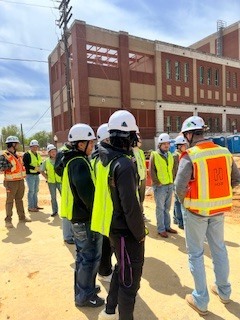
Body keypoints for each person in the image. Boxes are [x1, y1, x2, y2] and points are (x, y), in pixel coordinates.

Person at [175, 116, 240, 316]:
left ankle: (201, 299)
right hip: (218, 211)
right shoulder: (225, 152)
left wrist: (186, 201)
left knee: (195, 254)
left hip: (196, 212)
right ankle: (224, 292)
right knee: (219, 249)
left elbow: (179, 187)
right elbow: (236, 179)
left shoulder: (190, 155)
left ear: (189, 134)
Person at [92, 110, 145, 320]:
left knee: (121, 270)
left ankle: (109, 310)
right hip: (126, 231)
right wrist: (140, 234)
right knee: (130, 282)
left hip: (112, 227)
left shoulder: (103, 157)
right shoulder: (123, 164)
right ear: (130, 136)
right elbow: (130, 207)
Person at [61, 123, 104, 307]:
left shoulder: (73, 160)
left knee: (83, 257)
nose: (93, 146)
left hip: (79, 218)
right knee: (89, 257)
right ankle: (84, 296)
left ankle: (84, 289)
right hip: (85, 220)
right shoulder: (79, 163)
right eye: (90, 143)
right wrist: (98, 214)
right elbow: (88, 195)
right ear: (80, 145)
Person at [91, 123, 113, 283]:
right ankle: (104, 272)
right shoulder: (103, 160)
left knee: (105, 243)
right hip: (106, 208)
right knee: (106, 244)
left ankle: (104, 269)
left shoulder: (96, 158)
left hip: (101, 207)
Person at [149, 133, 177, 238]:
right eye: (164, 144)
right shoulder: (154, 155)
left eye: (168, 143)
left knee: (167, 208)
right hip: (160, 186)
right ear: (159, 145)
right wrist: (157, 182)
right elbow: (151, 170)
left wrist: (173, 180)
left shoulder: (170, 155)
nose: (166, 145)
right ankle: (161, 229)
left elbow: (173, 168)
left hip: (169, 184)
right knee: (160, 208)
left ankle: (167, 226)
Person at [0, 136, 31, 228]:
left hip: (20, 181)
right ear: (13, 144)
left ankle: (22, 217)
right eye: (17, 144)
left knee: (19, 199)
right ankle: (8, 220)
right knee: (9, 201)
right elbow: (1, 168)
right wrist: (8, 166)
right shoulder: (4, 156)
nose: (18, 145)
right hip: (10, 182)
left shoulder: (18, 155)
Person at [132, 129, 150, 222]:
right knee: (136, 198)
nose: (140, 142)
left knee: (142, 198)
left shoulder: (141, 152)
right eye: (139, 141)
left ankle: (141, 214)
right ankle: (137, 216)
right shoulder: (131, 152)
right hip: (135, 179)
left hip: (142, 178)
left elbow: (142, 165)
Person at [23, 139, 43, 212]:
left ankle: (35, 205)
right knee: (31, 191)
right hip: (30, 175)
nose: (35, 148)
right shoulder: (27, 154)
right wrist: (34, 168)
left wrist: (40, 166)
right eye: (33, 147)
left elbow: (40, 163)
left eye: (36, 147)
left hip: (36, 175)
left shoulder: (38, 154)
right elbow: (25, 165)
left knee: (36, 191)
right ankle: (30, 207)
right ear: (30, 147)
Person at [172, 135, 188, 229]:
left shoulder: (182, 155)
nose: (185, 147)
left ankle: (175, 218)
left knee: (177, 201)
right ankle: (180, 221)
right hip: (177, 181)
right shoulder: (175, 156)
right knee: (179, 202)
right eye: (183, 145)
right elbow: (174, 169)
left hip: (179, 180)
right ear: (179, 146)